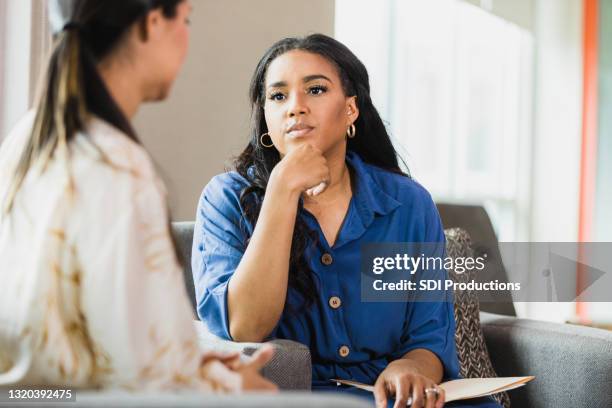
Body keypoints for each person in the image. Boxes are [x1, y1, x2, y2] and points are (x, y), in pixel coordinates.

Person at [192, 34, 502, 408]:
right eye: (278, 96)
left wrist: (409, 369)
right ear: (266, 119)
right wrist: (282, 191)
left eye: (316, 90)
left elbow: (429, 336)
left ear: (351, 109)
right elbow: (245, 326)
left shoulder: (408, 203)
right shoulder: (226, 199)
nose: (295, 107)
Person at [0, 0, 276, 392]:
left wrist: (195, 363)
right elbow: (144, 376)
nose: (187, 38)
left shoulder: (30, 137)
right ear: (150, 23)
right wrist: (228, 387)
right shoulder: (117, 167)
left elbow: (105, 329)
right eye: (185, 20)